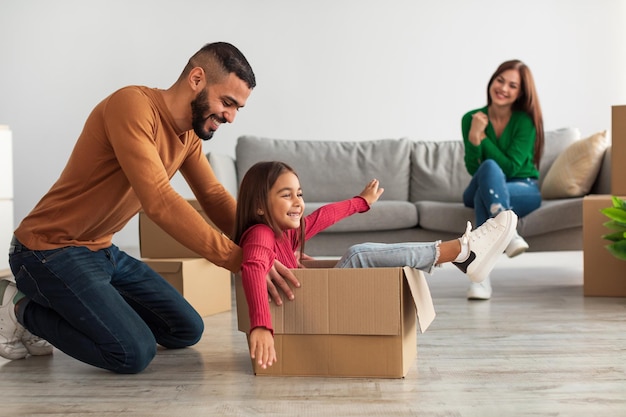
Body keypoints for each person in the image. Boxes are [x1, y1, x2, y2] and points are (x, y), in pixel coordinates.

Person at [0, 42, 300, 373]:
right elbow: (158, 200)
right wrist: (238, 261)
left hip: (101, 251)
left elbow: (213, 195)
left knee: (186, 329)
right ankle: (17, 309)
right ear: (197, 79)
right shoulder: (131, 106)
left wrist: (267, 244)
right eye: (227, 102)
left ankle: (64, 302)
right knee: (132, 353)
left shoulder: (187, 137)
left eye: (237, 109)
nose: (230, 117)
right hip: (47, 250)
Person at [235, 161, 518, 369]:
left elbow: (323, 216)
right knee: (358, 255)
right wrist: (261, 326)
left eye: (300, 194)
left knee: (360, 255)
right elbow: (252, 268)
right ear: (260, 205)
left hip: (314, 306)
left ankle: (461, 255)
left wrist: (361, 202)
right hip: (307, 311)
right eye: (287, 195)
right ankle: (460, 252)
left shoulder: (285, 233)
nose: (298, 202)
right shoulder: (260, 233)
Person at [461, 59, 544, 301]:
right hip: (481, 182)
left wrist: (481, 138)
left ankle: (479, 279)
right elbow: (472, 167)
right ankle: (508, 229)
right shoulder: (471, 118)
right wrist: (474, 135)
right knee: (487, 169)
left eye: (512, 85)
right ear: (492, 80)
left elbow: (510, 167)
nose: (503, 88)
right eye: (500, 80)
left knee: (483, 193)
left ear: (520, 93)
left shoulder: (525, 122)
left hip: (523, 187)